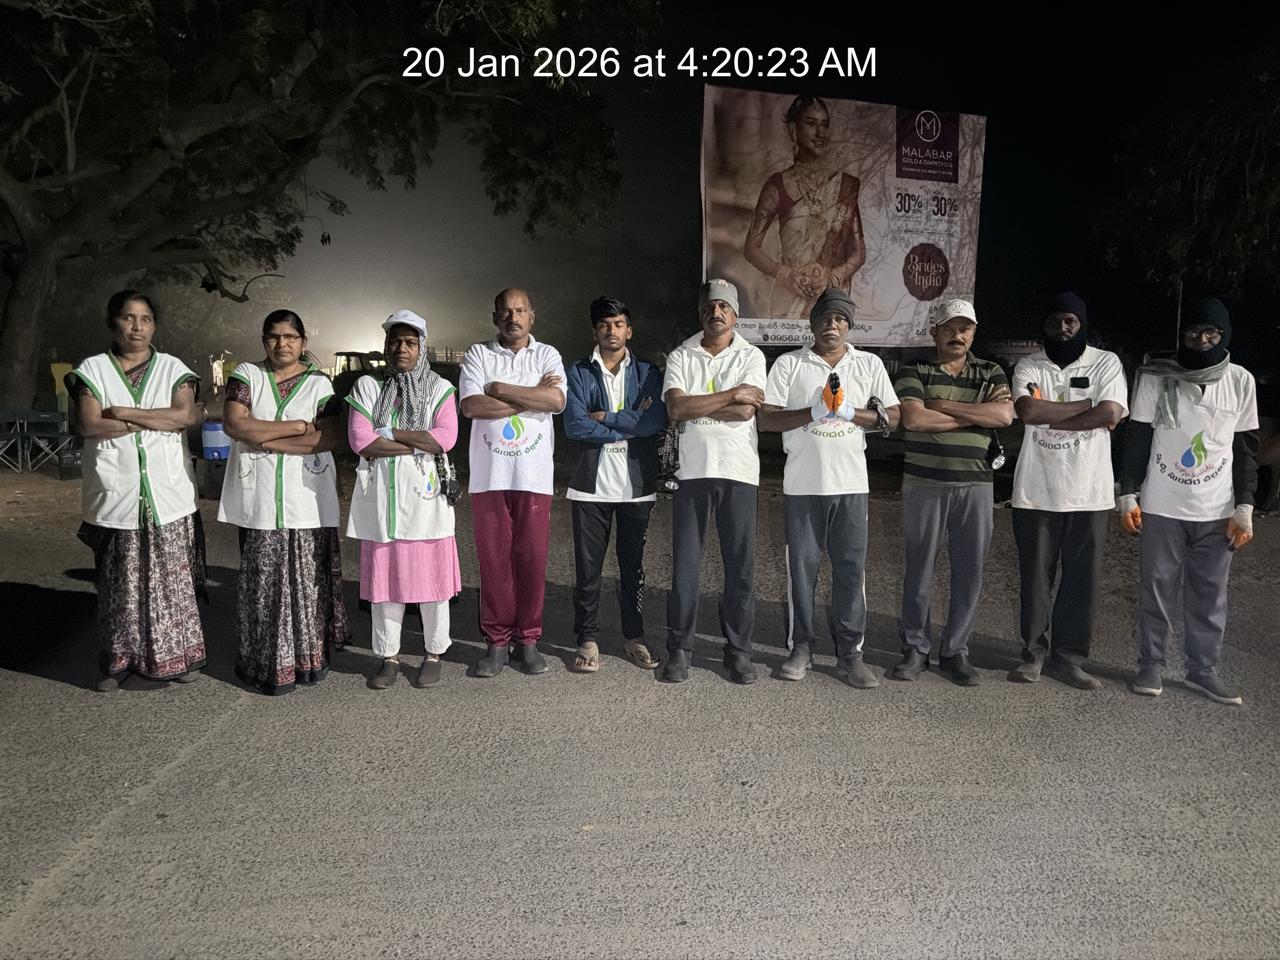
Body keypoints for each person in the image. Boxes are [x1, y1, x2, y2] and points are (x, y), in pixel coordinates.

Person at [1119, 296, 1260, 705]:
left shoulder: (1240, 381)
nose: (1201, 340)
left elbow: (1246, 449)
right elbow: (1137, 439)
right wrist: (1127, 493)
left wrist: (1245, 506)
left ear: (1224, 335)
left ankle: (1202, 670)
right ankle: (1151, 663)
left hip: (1217, 508)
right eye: (1194, 332)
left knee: (1210, 593)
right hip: (1162, 503)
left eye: (1211, 333)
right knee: (1157, 588)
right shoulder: (1156, 377)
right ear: (1182, 335)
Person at [759, 288, 900, 687]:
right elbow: (767, 419)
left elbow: (893, 417)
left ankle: (850, 654)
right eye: (824, 318)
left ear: (849, 325)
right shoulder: (789, 363)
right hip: (803, 485)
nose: (831, 325)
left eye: (839, 319)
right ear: (812, 323)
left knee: (851, 571)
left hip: (851, 485)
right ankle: (801, 647)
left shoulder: (869, 364)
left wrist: (851, 412)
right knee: (802, 573)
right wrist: (813, 411)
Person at [67, 290, 206, 691]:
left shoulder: (173, 369)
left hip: (168, 494)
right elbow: (90, 424)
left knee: (171, 583)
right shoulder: (93, 370)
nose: (137, 327)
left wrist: (126, 413)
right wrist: (154, 420)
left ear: (154, 325)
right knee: (120, 585)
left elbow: (185, 416)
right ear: (113, 322)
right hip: (117, 493)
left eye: (145, 319)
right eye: (128, 318)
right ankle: (119, 663)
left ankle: (178, 658)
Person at [218, 310, 348, 695]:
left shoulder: (319, 385)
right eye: (274, 336)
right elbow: (235, 424)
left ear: (303, 342)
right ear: (264, 341)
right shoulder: (247, 376)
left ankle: (306, 661)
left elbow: (329, 438)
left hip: (306, 499)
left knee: (307, 585)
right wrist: (296, 428)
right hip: (260, 500)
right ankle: (264, 664)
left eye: (290, 337)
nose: (282, 344)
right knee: (262, 586)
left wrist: (267, 441)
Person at [1007, 293, 1128, 689]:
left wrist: (1055, 416)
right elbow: (1027, 411)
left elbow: (1111, 412)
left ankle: (1069, 658)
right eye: (1055, 321)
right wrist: (1087, 407)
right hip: (1036, 489)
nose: (1062, 328)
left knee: (1082, 580)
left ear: (1082, 325)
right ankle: (1033, 654)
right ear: (1045, 325)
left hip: (1089, 491)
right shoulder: (1029, 365)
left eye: (1071, 321)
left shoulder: (1105, 362)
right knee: (1034, 579)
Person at [892, 297, 1013, 686]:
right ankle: (916, 648)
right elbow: (914, 419)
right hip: (924, 483)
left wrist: (942, 404)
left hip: (976, 485)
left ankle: (955, 651)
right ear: (934, 332)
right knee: (919, 569)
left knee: (969, 572)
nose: (957, 335)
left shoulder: (990, 371)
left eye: (964, 328)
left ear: (973, 333)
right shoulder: (915, 370)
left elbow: (1004, 415)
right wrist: (974, 416)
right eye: (949, 328)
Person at [661, 279, 767, 684]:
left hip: (739, 473)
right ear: (700, 311)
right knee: (685, 568)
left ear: (735, 314)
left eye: (724, 306)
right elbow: (675, 408)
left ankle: (738, 652)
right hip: (692, 473)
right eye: (709, 305)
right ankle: (680, 650)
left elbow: (746, 413)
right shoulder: (681, 354)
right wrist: (732, 394)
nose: (716, 312)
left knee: (739, 569)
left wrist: (700, 405)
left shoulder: (751, 355)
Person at [459, 288, 566, 678]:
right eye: (505, 311)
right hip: (490, 476)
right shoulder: (478, 354)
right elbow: (471, 406)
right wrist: (532, 396)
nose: (513, 317)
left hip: (533, 477)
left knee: (531, 560)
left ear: (531, 315)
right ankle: (497, 642)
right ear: (495, 317)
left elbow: (556, 402)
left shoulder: (547, 354)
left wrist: (500, 389)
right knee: (494, 562)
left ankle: (529, 640)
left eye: (520, 310)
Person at [563, 297, 668, 673]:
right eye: (605, 325)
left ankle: (634, 637)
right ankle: (587, 640)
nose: (612, 330)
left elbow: (654, 422)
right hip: (589, 486)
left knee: (633, 568)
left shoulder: (648, 372)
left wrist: (607, 417)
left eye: (619, 324)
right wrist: (628, 425)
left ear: (629, 330)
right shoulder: (578, 371)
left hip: (636, 486)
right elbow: (575, 425)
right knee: (588, 569)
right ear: (596, 331)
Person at [744, 95, 866, 319]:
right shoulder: (777, 186)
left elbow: (858, 253)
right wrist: (786, 275)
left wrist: (831, 278)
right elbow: (751, 248)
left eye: (825, 125)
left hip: (829, 305)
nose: (820, 133)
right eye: (811, 124)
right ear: (793, 130)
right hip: (788, 302)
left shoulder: (844, 186)